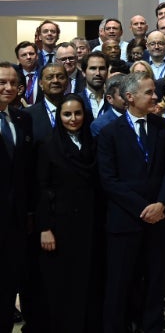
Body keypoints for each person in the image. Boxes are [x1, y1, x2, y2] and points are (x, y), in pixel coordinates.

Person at [97, 72, 165, 333]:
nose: (155, 96)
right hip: (125, 220)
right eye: (149, 92)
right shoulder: (109, 132)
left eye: (154, 91)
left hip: (159, 219)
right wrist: (143, 208)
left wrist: (161, 204)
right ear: (129, 97)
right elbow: (108, 180)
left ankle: (151, 327)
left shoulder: (162, 127)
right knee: (120, 282)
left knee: (154, 280)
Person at [36, 95, 99, 332]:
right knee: (63, 285)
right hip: (60, 227)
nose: (73, 119)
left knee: (88, 281)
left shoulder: (93, 142)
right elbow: (41, 188)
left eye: (78, 113)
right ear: (59, 117)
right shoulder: (48, 145)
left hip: (90, 223)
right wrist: (45, 228)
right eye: (67, 114)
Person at [0, 61, 34, 333]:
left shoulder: (22, 118)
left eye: (13, 82)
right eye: (2, 82)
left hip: (15, 220)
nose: (9, 87)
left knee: (9, 284)